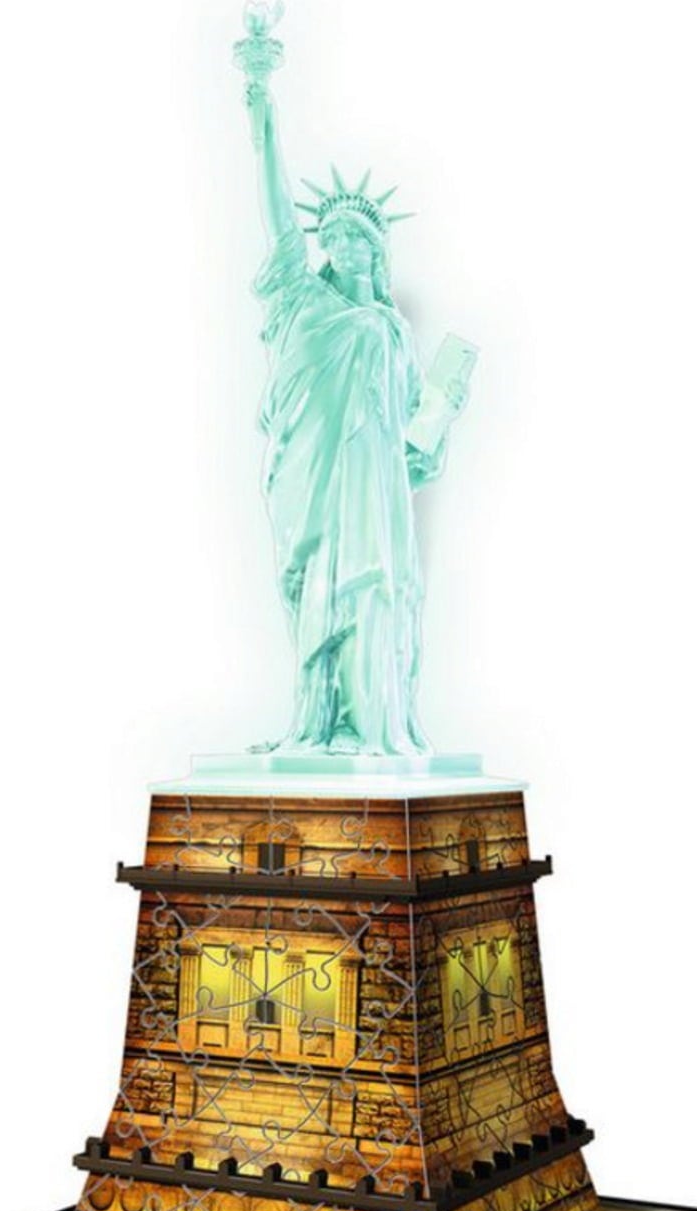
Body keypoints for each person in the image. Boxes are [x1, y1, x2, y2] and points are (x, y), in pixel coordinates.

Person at [246, 78, 465, 756]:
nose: (342, 246)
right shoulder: (304, 302)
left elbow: (412, 440)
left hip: (373, 489)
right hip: (313, 479)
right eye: (333, 236)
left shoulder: (393, 331)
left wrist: (443, 408)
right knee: (316, 588)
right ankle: (318, 723)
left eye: (356, 238)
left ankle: (371, 723)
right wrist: (260, 101)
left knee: (375, 592)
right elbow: (280, 221)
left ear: (377, 250)